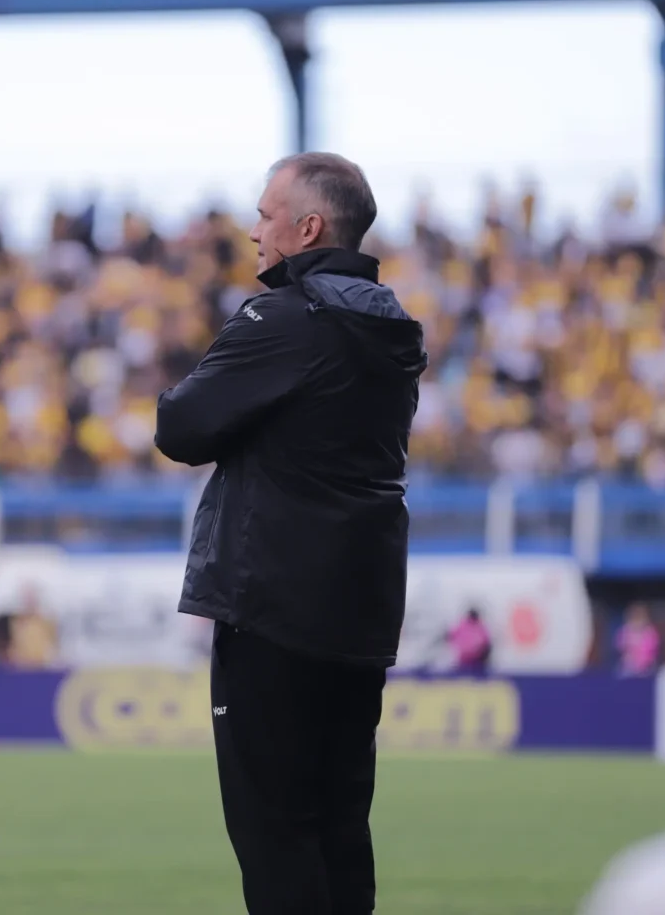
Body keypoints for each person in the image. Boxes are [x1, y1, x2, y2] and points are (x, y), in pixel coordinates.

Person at [155, 152, 427, 915]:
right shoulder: (392, 326)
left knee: (276, 832)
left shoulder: (286, 319)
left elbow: (181, 424)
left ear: (308, 228)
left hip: (273, 603)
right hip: (361, 609)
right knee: (341, 826)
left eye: (267, 215)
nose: (253, 230)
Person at [616, 603, 661, 676]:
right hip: (629, 665)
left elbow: (653, 650)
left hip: (647, 665)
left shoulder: (650, 632)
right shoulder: (625, 631)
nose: (637, 622)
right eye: (634, 618)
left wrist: (643, 662)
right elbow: (620, 647)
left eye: (639, 618)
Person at [449, 607, 493, 675]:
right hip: (468, 660)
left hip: (475, 660)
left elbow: (486, 643)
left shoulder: (478, 626)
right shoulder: (465, 625)